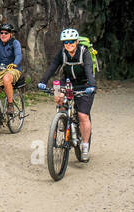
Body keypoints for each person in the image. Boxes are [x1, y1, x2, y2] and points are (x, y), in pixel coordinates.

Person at [37, 27, 96, 160]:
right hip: (67, 82)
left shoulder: (84, 52)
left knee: (82, 115)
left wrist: (92, 85)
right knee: (58, 96)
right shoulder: (62, 53)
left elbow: (88, 69)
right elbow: (52, 67)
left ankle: (85, 146)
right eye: (66, 42)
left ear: (76, 42)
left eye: (71, 42)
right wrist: (42, 81)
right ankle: (62, 119)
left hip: (84, 84)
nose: (68, 44)